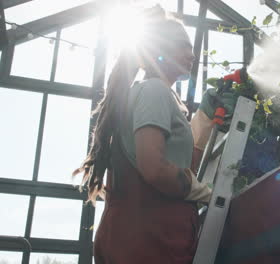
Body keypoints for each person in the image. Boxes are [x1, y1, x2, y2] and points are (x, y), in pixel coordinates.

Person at [73, 6, 234, 264]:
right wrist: (206, 193)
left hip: (136, 240)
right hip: (150, 243)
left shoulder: (148, 94)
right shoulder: (154, 91)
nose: (191, 55)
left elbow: (176, 166)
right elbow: (155, 169)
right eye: (182, 46)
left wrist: (203, 120)